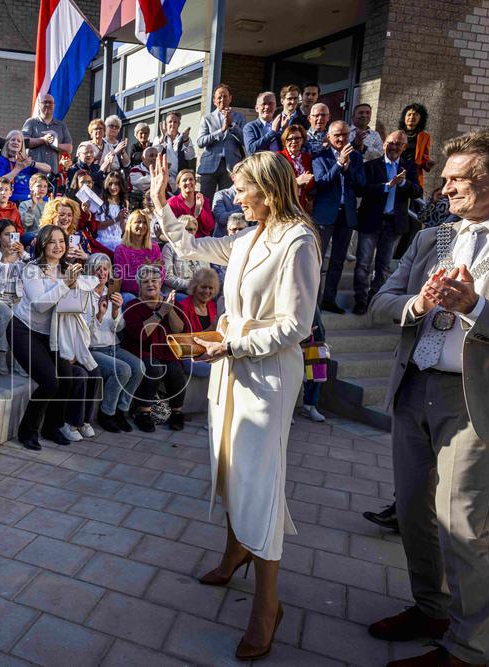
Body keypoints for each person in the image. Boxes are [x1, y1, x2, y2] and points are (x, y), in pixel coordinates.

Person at [152, 150, 321, 660]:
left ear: (268, 191)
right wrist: (160, 200)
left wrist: (232, 344)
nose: (235, 197)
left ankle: (267, 605)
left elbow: (296, 326)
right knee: (227, 464)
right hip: (231, 365)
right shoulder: (247, 236)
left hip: (267, 376)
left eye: (242, 189)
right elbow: (188, 246)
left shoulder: (298, 241)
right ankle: (234, 552)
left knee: (259, 479)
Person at [366, 129, 489, 667]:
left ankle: (467, 649)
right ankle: (431, 609)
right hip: (413, 390)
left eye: (458, 179)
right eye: (445, 178)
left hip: (476, 404)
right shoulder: (434, 236)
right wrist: (416, 304)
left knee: (463, 528)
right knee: (412, 513)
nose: (444, 187)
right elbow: (381, 301)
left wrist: (476, 308)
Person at [10, 225, 94, 450]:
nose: (58, 246)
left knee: (67, 379)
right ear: (42, 244)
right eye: (52, 241)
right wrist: (65, 284)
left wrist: (76, 288)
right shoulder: (32, 269)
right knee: (50, 381)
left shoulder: (68, 269)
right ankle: (28, 431)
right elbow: (40, 305)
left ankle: (52, 427)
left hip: (55, 334)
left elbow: (75, 305)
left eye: (62, 241)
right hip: (24, 330)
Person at [352, 130, 422, 315]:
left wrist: (402, 183)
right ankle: (360, 301)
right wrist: (386, 186)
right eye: (391, 143)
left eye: (399, 144)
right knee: (363, 264)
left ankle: (375, 301)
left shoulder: (409, 167)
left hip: (394, 224)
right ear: (384, 144)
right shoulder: (371, 165)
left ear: (404, 147)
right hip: (371, 220)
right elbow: (361, 189)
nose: (394, 147)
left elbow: (417, 191)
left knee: (383, 267)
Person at [120, 264, 188, 431]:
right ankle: (143, 413)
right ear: (139, 285)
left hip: (165, 349)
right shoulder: (133, 306)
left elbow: (179, 330)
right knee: (154, 367)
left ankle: (177, 412)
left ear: (160, 283)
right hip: (140, 349)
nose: (150, 284)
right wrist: (160, 313)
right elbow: (142, 335)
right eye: (145, 281)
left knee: (175, 368)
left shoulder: (169, 303)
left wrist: (169, 310)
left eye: (154, 281)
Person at [84, 253, 142, 433]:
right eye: (97, 269)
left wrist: (116, 311)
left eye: (105, 269)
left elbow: (119, 328)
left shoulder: (111, 295)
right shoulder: (83, 295)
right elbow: (84, 333)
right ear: (89, 271)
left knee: (139, 367)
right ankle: (106, 413)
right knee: (123, 370)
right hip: (93, 349)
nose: (102, 272)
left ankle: (121, 410)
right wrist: (100, 315)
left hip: (114, 347)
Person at [313, 120, 365, 314]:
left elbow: (361, 186)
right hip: (325, 215)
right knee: (317, 260)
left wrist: (348, 167)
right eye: (337, 135)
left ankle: (329, 300)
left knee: (338, 260)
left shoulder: (356, 157)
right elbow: (321, 182)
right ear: (329, 137)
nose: (342, 139)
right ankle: (314, 302)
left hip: (347, 214)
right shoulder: (320, 156)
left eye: (345, 135)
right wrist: (338, 164)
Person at [0, 218, 30, 375]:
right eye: (7, 234)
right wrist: (4, 260)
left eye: (14, 234)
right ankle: (1, 353)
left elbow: (32, 274)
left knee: (24, 315)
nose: (11, 238)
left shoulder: (20, 255)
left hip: (17, 298)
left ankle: (20, 360)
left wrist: (23, 254)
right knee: (8, 314)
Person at [196, 84, 246, 200]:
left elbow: (245, 140)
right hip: (209, 166)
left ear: (230, 98)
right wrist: (221, 131)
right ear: (214, 101)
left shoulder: (239, 118)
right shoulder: (207, 119)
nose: (222, 99)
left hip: (231, 166)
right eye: (219, 97)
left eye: (225, 96)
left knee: (229, 200)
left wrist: (232, 125)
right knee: (205, 201)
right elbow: (200, 142)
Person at [177, 267, 221, 380]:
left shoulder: (213, 306)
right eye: (203, 287)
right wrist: (212, 328)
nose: (207, 291)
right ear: (194, 286)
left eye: (210, 288)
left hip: (210, 351)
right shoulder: (183, 306)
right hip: (189, 354)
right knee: (216, 369)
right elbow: (185, 342)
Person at [0, 129, 50, 203]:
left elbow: (48, 169)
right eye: (13, 140)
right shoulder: (0, 160)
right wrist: (18, 168)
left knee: (46, 200)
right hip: (11, 196)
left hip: (29, 195)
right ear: (7, 143)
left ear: (21, 146)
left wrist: (31, 163)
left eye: (19, 141)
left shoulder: (25, 162)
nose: (16, 142)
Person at [22, 93, 73, 174]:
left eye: (50, 102)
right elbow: (23, 142)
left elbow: (69, 148)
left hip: (53, 173)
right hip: (33, 172)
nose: (47, 104)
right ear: (39, 105)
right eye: (45, 102)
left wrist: (55, 145)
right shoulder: (31, 122)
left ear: (54, 106)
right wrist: (43, 140)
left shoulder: (61, 126)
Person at [162, 215, 210, 291]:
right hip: (177, 291)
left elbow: (207, 275)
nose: (192, 232)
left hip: (198, 292)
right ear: (180, 229)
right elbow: (168, 277)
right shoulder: (169, 247)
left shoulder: (200, 248)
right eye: (189, 229)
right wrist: (192, 285)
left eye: (194, 229)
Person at [277, 125, 315, 212]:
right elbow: (275, 183)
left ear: (302, 140)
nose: (294, 141)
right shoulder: (278, 157)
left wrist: (308, 183)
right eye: (290, 139)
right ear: (285, 141)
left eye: (297, 138)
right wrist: (296, 182)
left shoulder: (307, 158)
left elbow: (311, 183)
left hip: (303, 205)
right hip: (285, 204)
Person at [299, 308, 327, 422]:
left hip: (315, 334)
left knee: (316, 370)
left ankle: (309, 405)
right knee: (290, 374)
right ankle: (286, 411)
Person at [167, 170, 214, 237]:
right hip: (182, 239)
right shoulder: (172, 202)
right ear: (178, 185)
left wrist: (200, 208)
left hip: (201, 240)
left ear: (195, 183)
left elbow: (209, 227)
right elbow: (171, 227)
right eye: (184, 180)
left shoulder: (203, 200)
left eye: (191, 179)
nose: (188, 182)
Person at [399, 102, 435, 188]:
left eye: (415, 114)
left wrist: (427, 164)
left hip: (414, 172)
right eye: (409, 114)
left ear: (420, 118)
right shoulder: (397, 134)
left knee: (414, 193)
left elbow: (424, 157)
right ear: (404, 117)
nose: (412, 117)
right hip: (397, 169)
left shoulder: (425, 137)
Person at [157, 110, 195, 181]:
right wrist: (162, 137)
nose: (172, 124)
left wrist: (185, 140)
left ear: (179, 124)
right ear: (166, 124)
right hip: (164, 177)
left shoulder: (184, 137)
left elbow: (190, 156)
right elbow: (155, 154)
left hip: (180, 178)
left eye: (175, 122)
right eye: (170, 122)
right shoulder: (159, 138)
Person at [95, 172, 128, 252]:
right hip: (103, 242)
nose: (113, 187)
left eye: (116, 184)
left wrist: (123, 219)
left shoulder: (125, 202)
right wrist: (117, 219)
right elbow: (98, 226)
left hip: (119, 241)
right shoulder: (100, 202)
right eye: (110, 184)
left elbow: (123, 229)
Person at [19, 173, 50, 237]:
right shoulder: (24, 204)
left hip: (47, 236)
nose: (42, 189)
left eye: (45, 186)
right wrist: (34, 205)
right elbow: (26, 223)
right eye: (39, 186)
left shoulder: (49, 205)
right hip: (32, 237)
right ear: (31, 187)